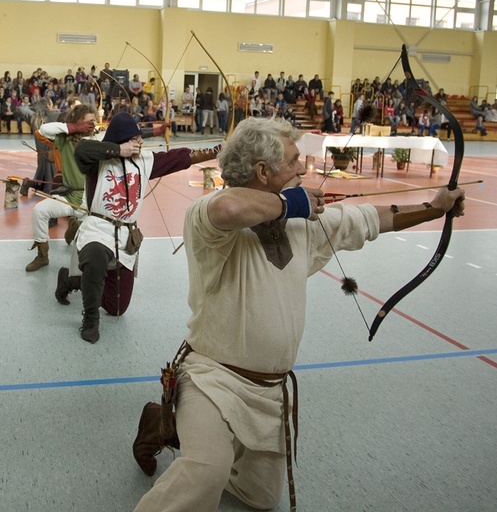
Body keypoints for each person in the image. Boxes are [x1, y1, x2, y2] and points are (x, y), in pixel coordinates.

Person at [131, 116, 465, 512]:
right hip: (212, 377)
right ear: (263, 171)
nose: (304, 168)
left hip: (269, 390)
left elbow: (372, 218)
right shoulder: (209, 218)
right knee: (207, 470)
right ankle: (194, 438)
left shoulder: (304, 224)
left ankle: (166, 423)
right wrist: (292, 203)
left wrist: (433, 208)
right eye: (293, 161)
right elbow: (230, 206)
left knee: (261, 497)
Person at [55, 112, 221, 343]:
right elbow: (81, 151)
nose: (141, 141)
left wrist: (218, 150)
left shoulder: (145, 161)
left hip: (125, 234)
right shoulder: (98, 160)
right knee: (95, 259)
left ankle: (71, 280)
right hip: (98, 229)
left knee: (116, 308)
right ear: (122, 139)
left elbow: (183, 158)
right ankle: (91, 318)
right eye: (135, 138)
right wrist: (118, 151)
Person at [25, 104, 98, 272]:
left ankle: (75, 225)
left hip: (91, 201)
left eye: (94, 121)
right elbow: (42, 131)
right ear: (77, 122)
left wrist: (156, 132)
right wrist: (72, 128)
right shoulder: (65, 139)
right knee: (39, 211)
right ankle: (42, 256)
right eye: (88, 122)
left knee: (87, 245)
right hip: (70, 196)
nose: (92, 125)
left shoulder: (98, 140)